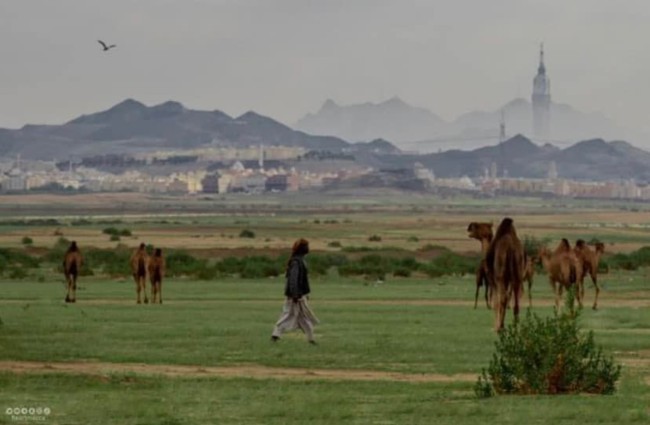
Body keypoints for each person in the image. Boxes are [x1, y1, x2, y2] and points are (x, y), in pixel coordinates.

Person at [271, 238, 319, 344]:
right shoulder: (297, 262)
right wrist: (295, 294)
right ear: (303, 249)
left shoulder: (299, 260)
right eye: (307, 246)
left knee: (303, 317)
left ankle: (311, 339)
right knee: (288, 314)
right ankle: (275, 335)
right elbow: (293, 279)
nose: (308, 248)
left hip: (299, 295)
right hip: (295, 295)